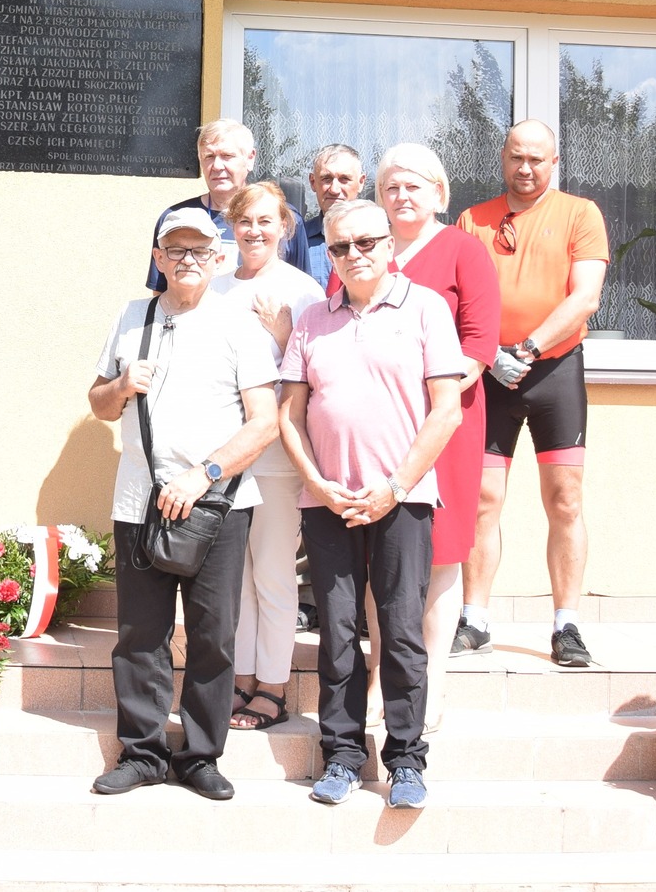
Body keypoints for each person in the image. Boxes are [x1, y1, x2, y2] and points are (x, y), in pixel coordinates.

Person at [89, 208, 282, 802]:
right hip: (138, 502)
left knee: (213, 634)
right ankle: (143, 753)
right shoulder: (131, 317)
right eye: (175, 250)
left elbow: (266, 422)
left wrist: (205, 474)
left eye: (199, 250)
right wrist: (122, 387)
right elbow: (97, 404)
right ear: (158, 258)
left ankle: (200, 755)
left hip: (217, 505)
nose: (187, 259)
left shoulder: (238, 325)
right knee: (140, 634)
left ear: (218, 257)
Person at [279, 198, 465, 811]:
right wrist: (318, 482)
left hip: (404, 499)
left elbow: (446, 409)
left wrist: (395, 486)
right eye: (339, 247)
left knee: (402, 631)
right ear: (326, 252)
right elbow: (290, 414)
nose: (354, 255)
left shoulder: (426, 309)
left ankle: (407, 761)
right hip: (326, 500)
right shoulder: (311, 319)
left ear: (389, 244)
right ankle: (341, 755)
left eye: (366, 243)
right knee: (335, 632)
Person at [454, 120, 609, 669]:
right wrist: (489, 353)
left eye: (536, 159)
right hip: (490, 374)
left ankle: (567, 624)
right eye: (516, 157)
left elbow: (585, 297)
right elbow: (462, 298)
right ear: (503, 158)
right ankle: (474, 620)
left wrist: (525, 348)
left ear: (554, 162)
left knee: (565, 499)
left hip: (554, 372)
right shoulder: (473, 219)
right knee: (480, 501)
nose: (525, 168)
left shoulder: (580, 214)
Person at [365, 144, 500, 730]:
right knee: (383, 553)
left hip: (448, 426)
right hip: (379, 425)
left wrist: (432, 397)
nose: (402, 196)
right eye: (391, 186)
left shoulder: (465, 250)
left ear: (440, 193)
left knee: (441, 553)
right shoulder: (370, 253)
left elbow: (480, 344)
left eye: (414, 185)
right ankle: (378, 680)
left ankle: (432, 682)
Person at [210, 181, 323, 734]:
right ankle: (242, 677)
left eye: (265, 221)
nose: (254, 230)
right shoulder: (215, 285)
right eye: (244, 220)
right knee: (238, 576)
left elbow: (315, 374)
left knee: (274, 574)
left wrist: (283, 336)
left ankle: (273, 686)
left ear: (285, 227)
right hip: (226, 456)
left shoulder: (302, 291)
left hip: (276, 458)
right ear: (230, 224)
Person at [146, 120, 311, 290]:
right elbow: (162, 294)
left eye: (227, 156)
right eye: (209, 156)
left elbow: (300, 291)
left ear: (250, 158)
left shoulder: (284, 217)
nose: (217, 166)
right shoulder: (176, 219)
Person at [296, 144, 365, 285]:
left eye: (344, 179)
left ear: (361, 182)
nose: (334, 189)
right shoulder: (297, 239)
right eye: (326, 179)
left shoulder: (377, 241)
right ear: (313, 182)